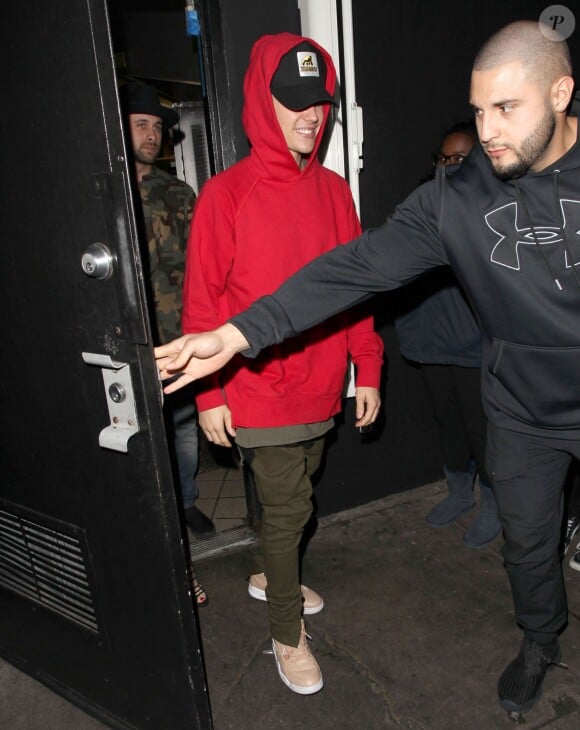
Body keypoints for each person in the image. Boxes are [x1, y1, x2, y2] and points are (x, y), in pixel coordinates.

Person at [155, 20, 580, 715]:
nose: (488, 130)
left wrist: (362, 367)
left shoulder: (335, 189)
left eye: (507, 108)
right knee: (527, 548)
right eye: (479, 110)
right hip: (523, 414)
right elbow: (352, 272)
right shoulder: (458, 197)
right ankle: (540, 640)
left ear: (561, 92)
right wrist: (237, 334)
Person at [180, 34, 383, 694]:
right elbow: (202, 302)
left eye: (318, 103)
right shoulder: (225, 194)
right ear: (260, 105)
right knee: (292, 507)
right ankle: (284, 631)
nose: (309, 117)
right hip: (256, 390)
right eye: (292, 103)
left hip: (321, 386)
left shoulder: (333, 192)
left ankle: (271, 569)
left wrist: (368, 366)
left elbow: (356, 291)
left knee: (296, 496)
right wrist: (209, 395)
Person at [122, 81, 214, 606]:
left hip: (178, 340)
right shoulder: (106, 193)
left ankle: (184, 504)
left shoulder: (178, 193)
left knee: (181, 431)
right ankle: (148, 531)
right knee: (138, 441)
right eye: (142, 124)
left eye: (158, 127)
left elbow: (203, 265)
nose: (152, 135)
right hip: (131, 344)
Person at [394, 120, 501, 548]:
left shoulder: (495, 203)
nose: (449, 165)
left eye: (460, 158)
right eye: (444, 158)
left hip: (476, 346)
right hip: (432, 341)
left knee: (482, 431)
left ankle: (493, 503)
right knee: (449, 425)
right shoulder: (423, 203)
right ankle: (459, 493)